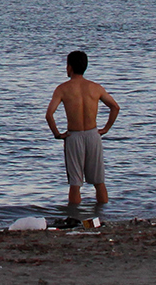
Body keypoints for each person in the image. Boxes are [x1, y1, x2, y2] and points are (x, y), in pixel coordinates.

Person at [45, 50, 119, 209]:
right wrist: (105, 129)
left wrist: (57, 134)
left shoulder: (63, 89)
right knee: (99, 182)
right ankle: (104, 215)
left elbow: (49, 115)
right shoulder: (96, 88)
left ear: (70, 67)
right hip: (93, 135)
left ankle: (74, 217)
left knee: (75, 184)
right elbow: (115, 107)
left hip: (74, 136)